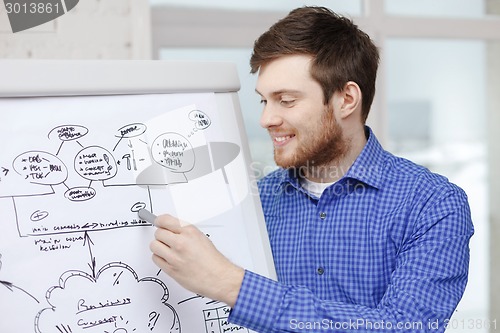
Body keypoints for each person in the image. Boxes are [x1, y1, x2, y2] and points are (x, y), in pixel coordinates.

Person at [149, 6, 474, 332]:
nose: (266, 119)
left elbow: (407, 327)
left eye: (286, 100)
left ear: (346, 99)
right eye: (264, 101)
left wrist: (230, 284)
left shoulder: (433, 203)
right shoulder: (258, 201)